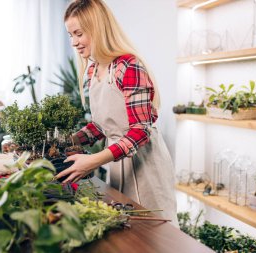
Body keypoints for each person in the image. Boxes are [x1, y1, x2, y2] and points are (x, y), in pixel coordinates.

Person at [56, 0, 178, 225]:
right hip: (116, 163)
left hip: (145, 166)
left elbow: (140, 132)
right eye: (70, 35)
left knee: (155, 232)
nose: (74, 42)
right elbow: (101, 125)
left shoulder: (128, 66)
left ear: (97, 28)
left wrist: (93, 160)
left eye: (78, 33)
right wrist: (67, 141)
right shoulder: (94, 69)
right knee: (126, 228)